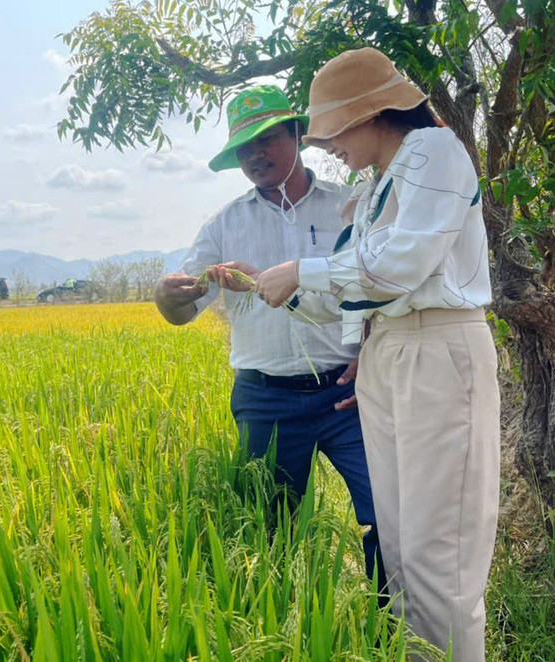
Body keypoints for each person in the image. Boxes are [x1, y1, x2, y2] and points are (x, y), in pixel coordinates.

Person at [246, 49, 499, 661]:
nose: (326, 144)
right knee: (403, 549)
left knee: (442, 555)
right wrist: (280, 289)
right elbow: (354, 296)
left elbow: (404, 265)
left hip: (437, 347)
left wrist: (302, 271)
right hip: (391, 356)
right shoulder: (374, 185)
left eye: (331, 129)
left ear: (370, 113)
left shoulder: (433, 152)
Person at [154, 84, 387, 592]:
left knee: (387, 513)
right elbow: (181, 308)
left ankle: (389, 626)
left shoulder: (351, 207)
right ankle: (283, 623)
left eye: (268, 139)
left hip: (351, 393)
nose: (257, 154)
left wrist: (370, 353)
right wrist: (166, 296)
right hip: (267, 400)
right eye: (245, 147)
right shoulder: (223, 226)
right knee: (271, 530)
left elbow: (383, 290)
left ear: (299, 136)